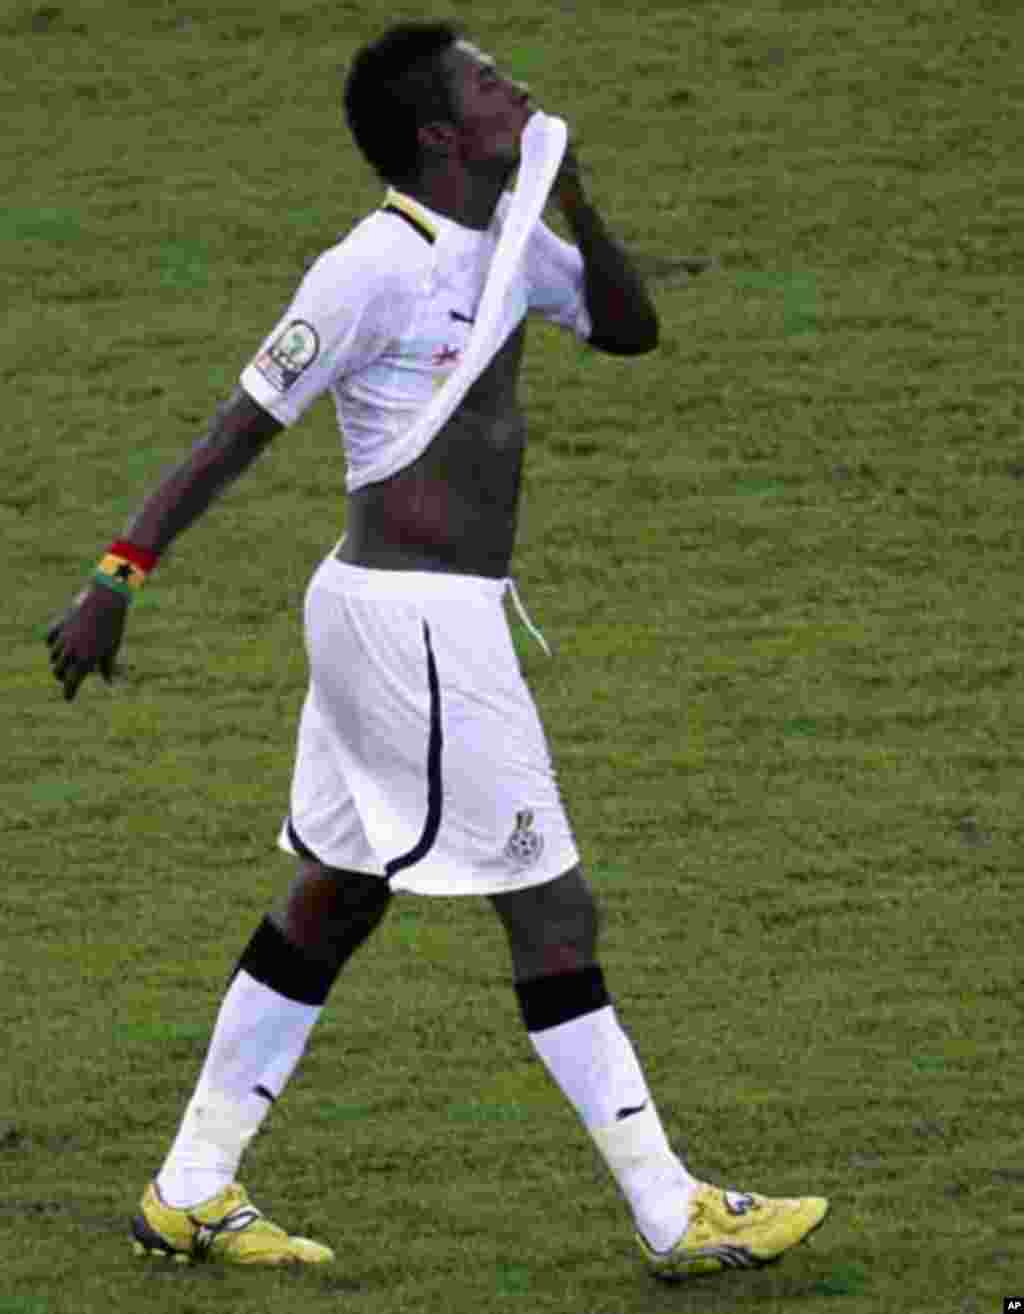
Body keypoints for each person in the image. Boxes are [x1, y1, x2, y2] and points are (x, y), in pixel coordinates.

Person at [46, 22, 828, 1281]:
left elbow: (629, 332)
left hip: (426, 621)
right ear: (436, 134)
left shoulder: (506, 243)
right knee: (554, 909)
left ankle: (187, 1190)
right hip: (410, 628)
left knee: (331, 898)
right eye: (480, 82)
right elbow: (237, 428)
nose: (510, 80)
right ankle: (671, 1210)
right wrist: (118, 573)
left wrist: (568, 194)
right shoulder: (371, 266)